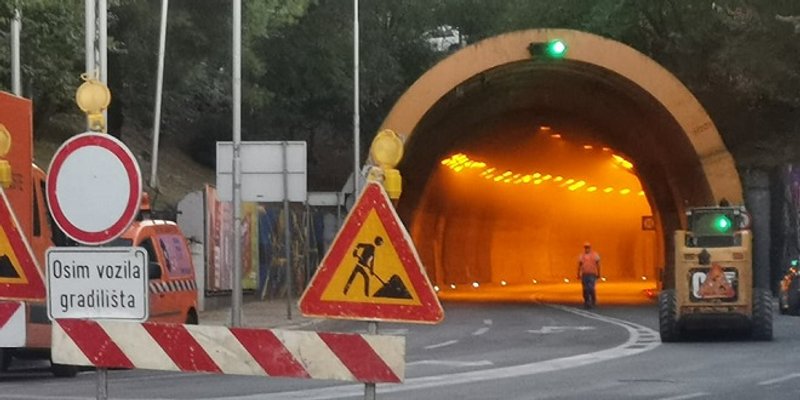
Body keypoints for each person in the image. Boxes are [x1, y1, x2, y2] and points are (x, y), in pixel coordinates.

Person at [577, 242, 601, 309]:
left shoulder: (595, 255)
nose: (587, 249)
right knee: (585, 289)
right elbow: (579, 265)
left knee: (591, 288)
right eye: (586, 248)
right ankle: (586, 301)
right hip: (585, 274)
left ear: (590, 248)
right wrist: (578, 274)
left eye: (588, 247)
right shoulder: (581, 256)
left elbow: (598, 265)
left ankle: (593, 300)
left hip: (592, 274)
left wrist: (599, 273)